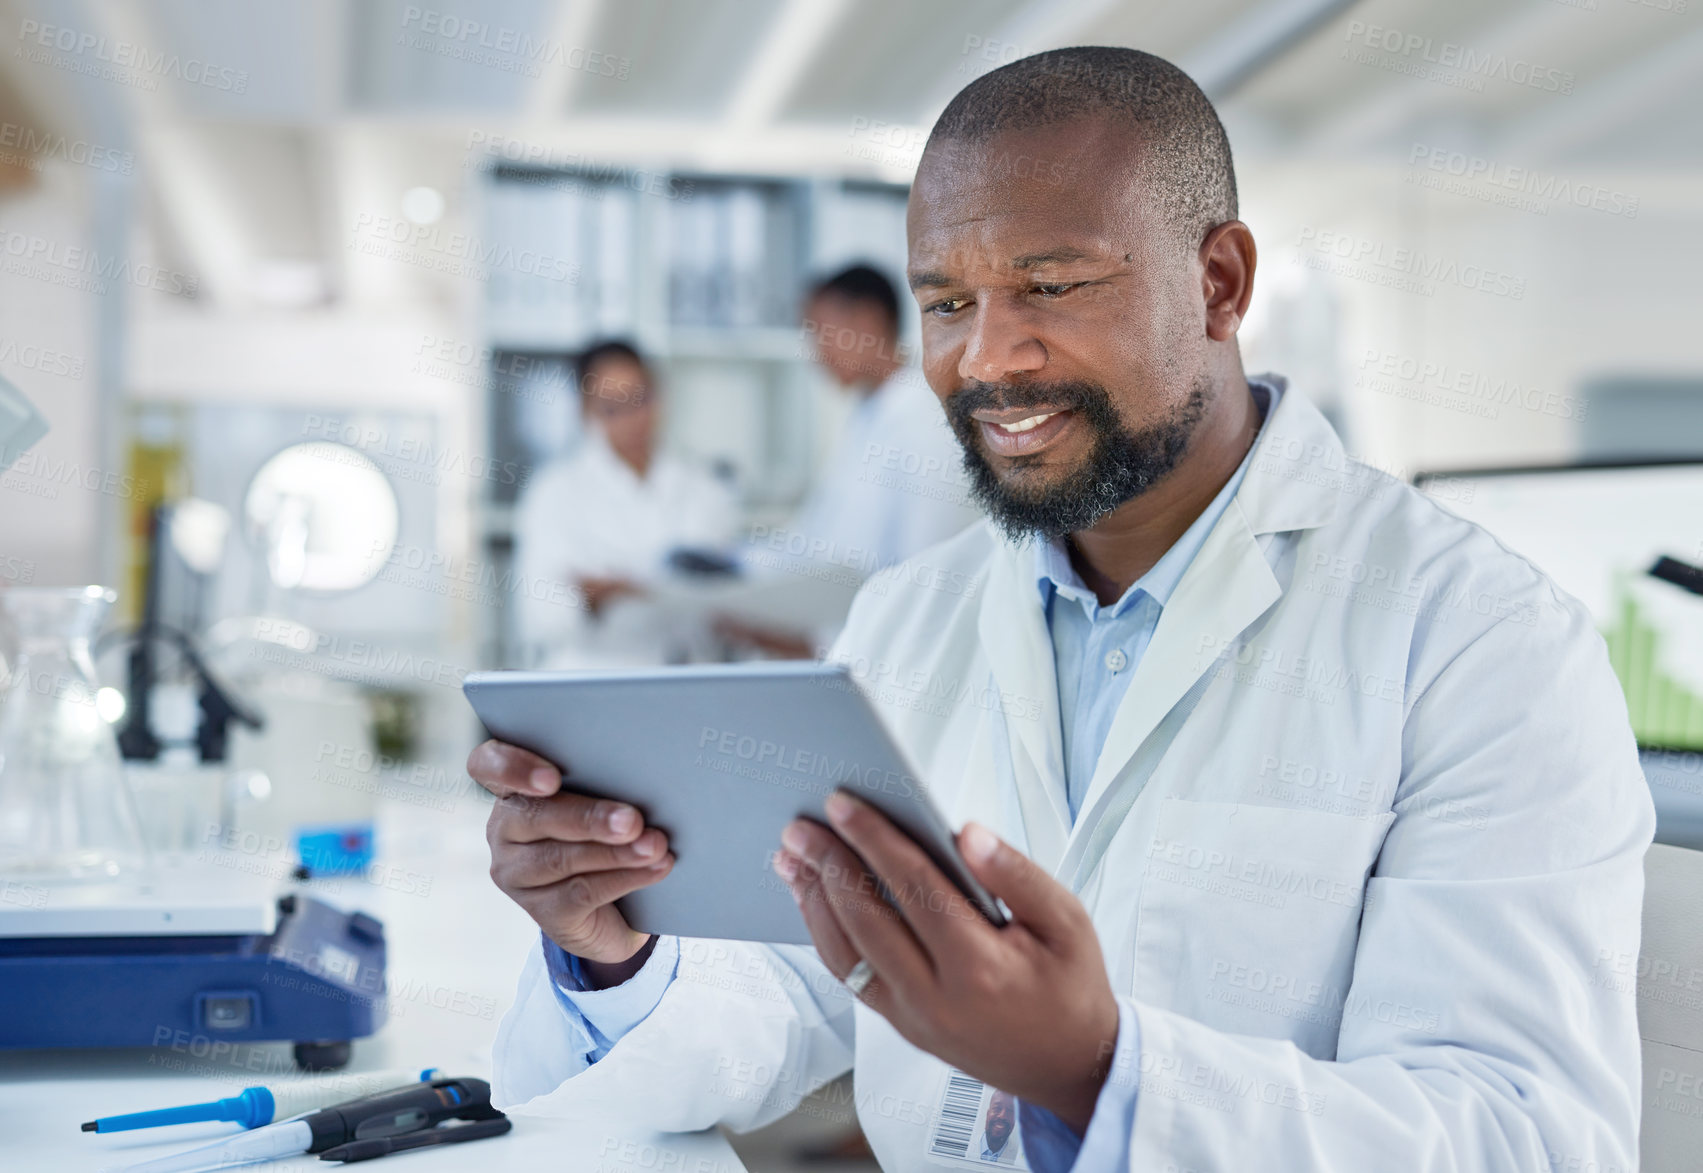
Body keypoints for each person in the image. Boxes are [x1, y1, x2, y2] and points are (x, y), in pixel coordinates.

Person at [473, 47, 1653, 1173]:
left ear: (1219, 283)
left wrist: (1100, 1075)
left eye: (1049, 286)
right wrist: (608, 944)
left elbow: (1525, 1137)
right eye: (944, 303)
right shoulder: (909, 622)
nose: (987, 358)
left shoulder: (1480, 645)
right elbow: (792, 996)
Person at [719, 264, 981, 657]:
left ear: (869, 320)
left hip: (881, 663)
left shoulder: (925, 424)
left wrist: (816, 647)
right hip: (838, 645)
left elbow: (928, 581)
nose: (815, 352)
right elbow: (816, 542)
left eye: (820, 332)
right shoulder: (867, 414)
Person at [510, 339, 739, 667]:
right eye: (612, 407)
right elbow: (541, 618)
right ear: (586, 410)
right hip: (593, 677)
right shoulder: (554, 492)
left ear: (660, 395)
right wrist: (592, 599)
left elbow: (728, 599)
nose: (633, 418)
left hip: (686, 673)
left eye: (640, 399)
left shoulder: (703, 487)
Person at [977, 1090, 1021, 1165]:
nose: (1003, 1116)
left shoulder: (1019, 1158)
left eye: (1010, 1111)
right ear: (988, 1114)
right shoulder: (966, 1145)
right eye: (997, 1108)